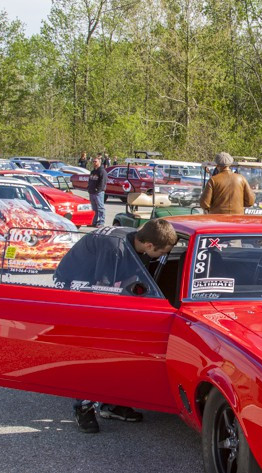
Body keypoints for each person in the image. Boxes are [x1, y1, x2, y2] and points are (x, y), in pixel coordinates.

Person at [55, 219, 178, 433]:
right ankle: (83, 408)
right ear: (149, 245)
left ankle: (111, 403)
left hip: (95, 286)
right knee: (95, 350)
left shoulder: (135, 240)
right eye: (161, 253)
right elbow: (103, 290)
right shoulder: (114, 247)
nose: (161, 257)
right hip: (74, 287)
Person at [88, 157, 108, 226]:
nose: (94, 163)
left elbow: (103, 182)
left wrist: (98, 189)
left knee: (100, 208)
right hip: (91, 192)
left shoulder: (102, 171)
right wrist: (89, 188)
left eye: (95, 161)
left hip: (98, 193)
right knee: (94, 208)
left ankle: (101, 222)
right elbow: (90, 180)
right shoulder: (93, 172)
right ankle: (93, 222)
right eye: (93, 161)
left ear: (99, 162)